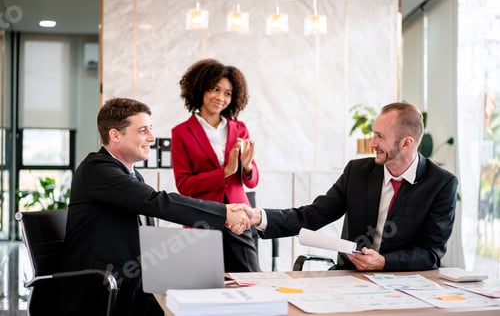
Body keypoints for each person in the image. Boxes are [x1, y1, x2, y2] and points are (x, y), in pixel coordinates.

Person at [59, 97, 251, 316]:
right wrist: (224, 212)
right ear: (115, 135)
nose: (151, 138)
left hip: (126, 278)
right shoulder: (98, 169)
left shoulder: (129, 174)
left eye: (150, 129)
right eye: (143, 131)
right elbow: (157, 202)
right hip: (99, 287)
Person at [249, 102, 458, 272]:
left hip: (404, 282)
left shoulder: (441, 183)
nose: (372, 143)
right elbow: (312, 215)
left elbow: (430, 253)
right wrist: (259, 217)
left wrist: (384, 262)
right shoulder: (357, 172)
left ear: (406, 143)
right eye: (373, 134)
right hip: (350, 276)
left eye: (380, 136)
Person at [171, 58, 261, 272]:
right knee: (203, 283)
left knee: (250, 280)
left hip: (239, 218)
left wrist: (247, 167)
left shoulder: (240, 128)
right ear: (200, 89)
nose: (221, 97)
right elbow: (184, 185)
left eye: (227, 93)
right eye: (215, 89)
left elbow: (252, 180)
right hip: (201, 217)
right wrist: (226, 171)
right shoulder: (181, 132)